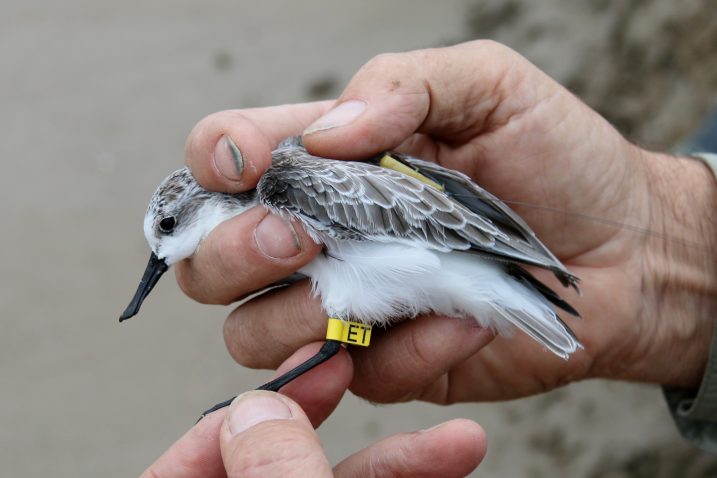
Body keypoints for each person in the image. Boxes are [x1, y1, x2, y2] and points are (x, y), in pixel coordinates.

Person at [142, 40, 717, 477]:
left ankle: (261, 401)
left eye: (168, 230)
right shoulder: (273, 201)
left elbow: (424, 220)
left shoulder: (284, 182)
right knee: (350, 337)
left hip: (454, 260)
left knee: (343, 338)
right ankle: (290, 382)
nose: (162, 257)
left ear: (199, 205)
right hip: (420, 279)